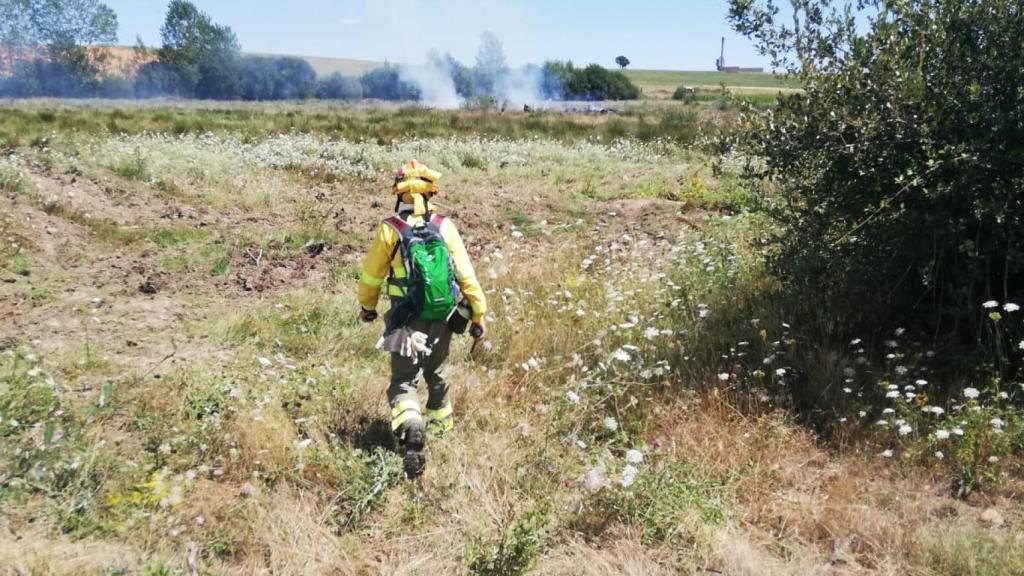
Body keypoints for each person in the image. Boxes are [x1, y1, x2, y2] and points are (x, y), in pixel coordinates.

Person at [357, 160, 487, 477]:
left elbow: (371, 278)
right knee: (437, 371)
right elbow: (466, 275)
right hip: (444, 314)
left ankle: (411, 426)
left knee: (404, 380)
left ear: (397, 193)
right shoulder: (444, 226)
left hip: (405, 319)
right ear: (430, 193)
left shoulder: (391, 229)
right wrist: (478, 313)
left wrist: (367, 307)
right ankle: (442, 430)